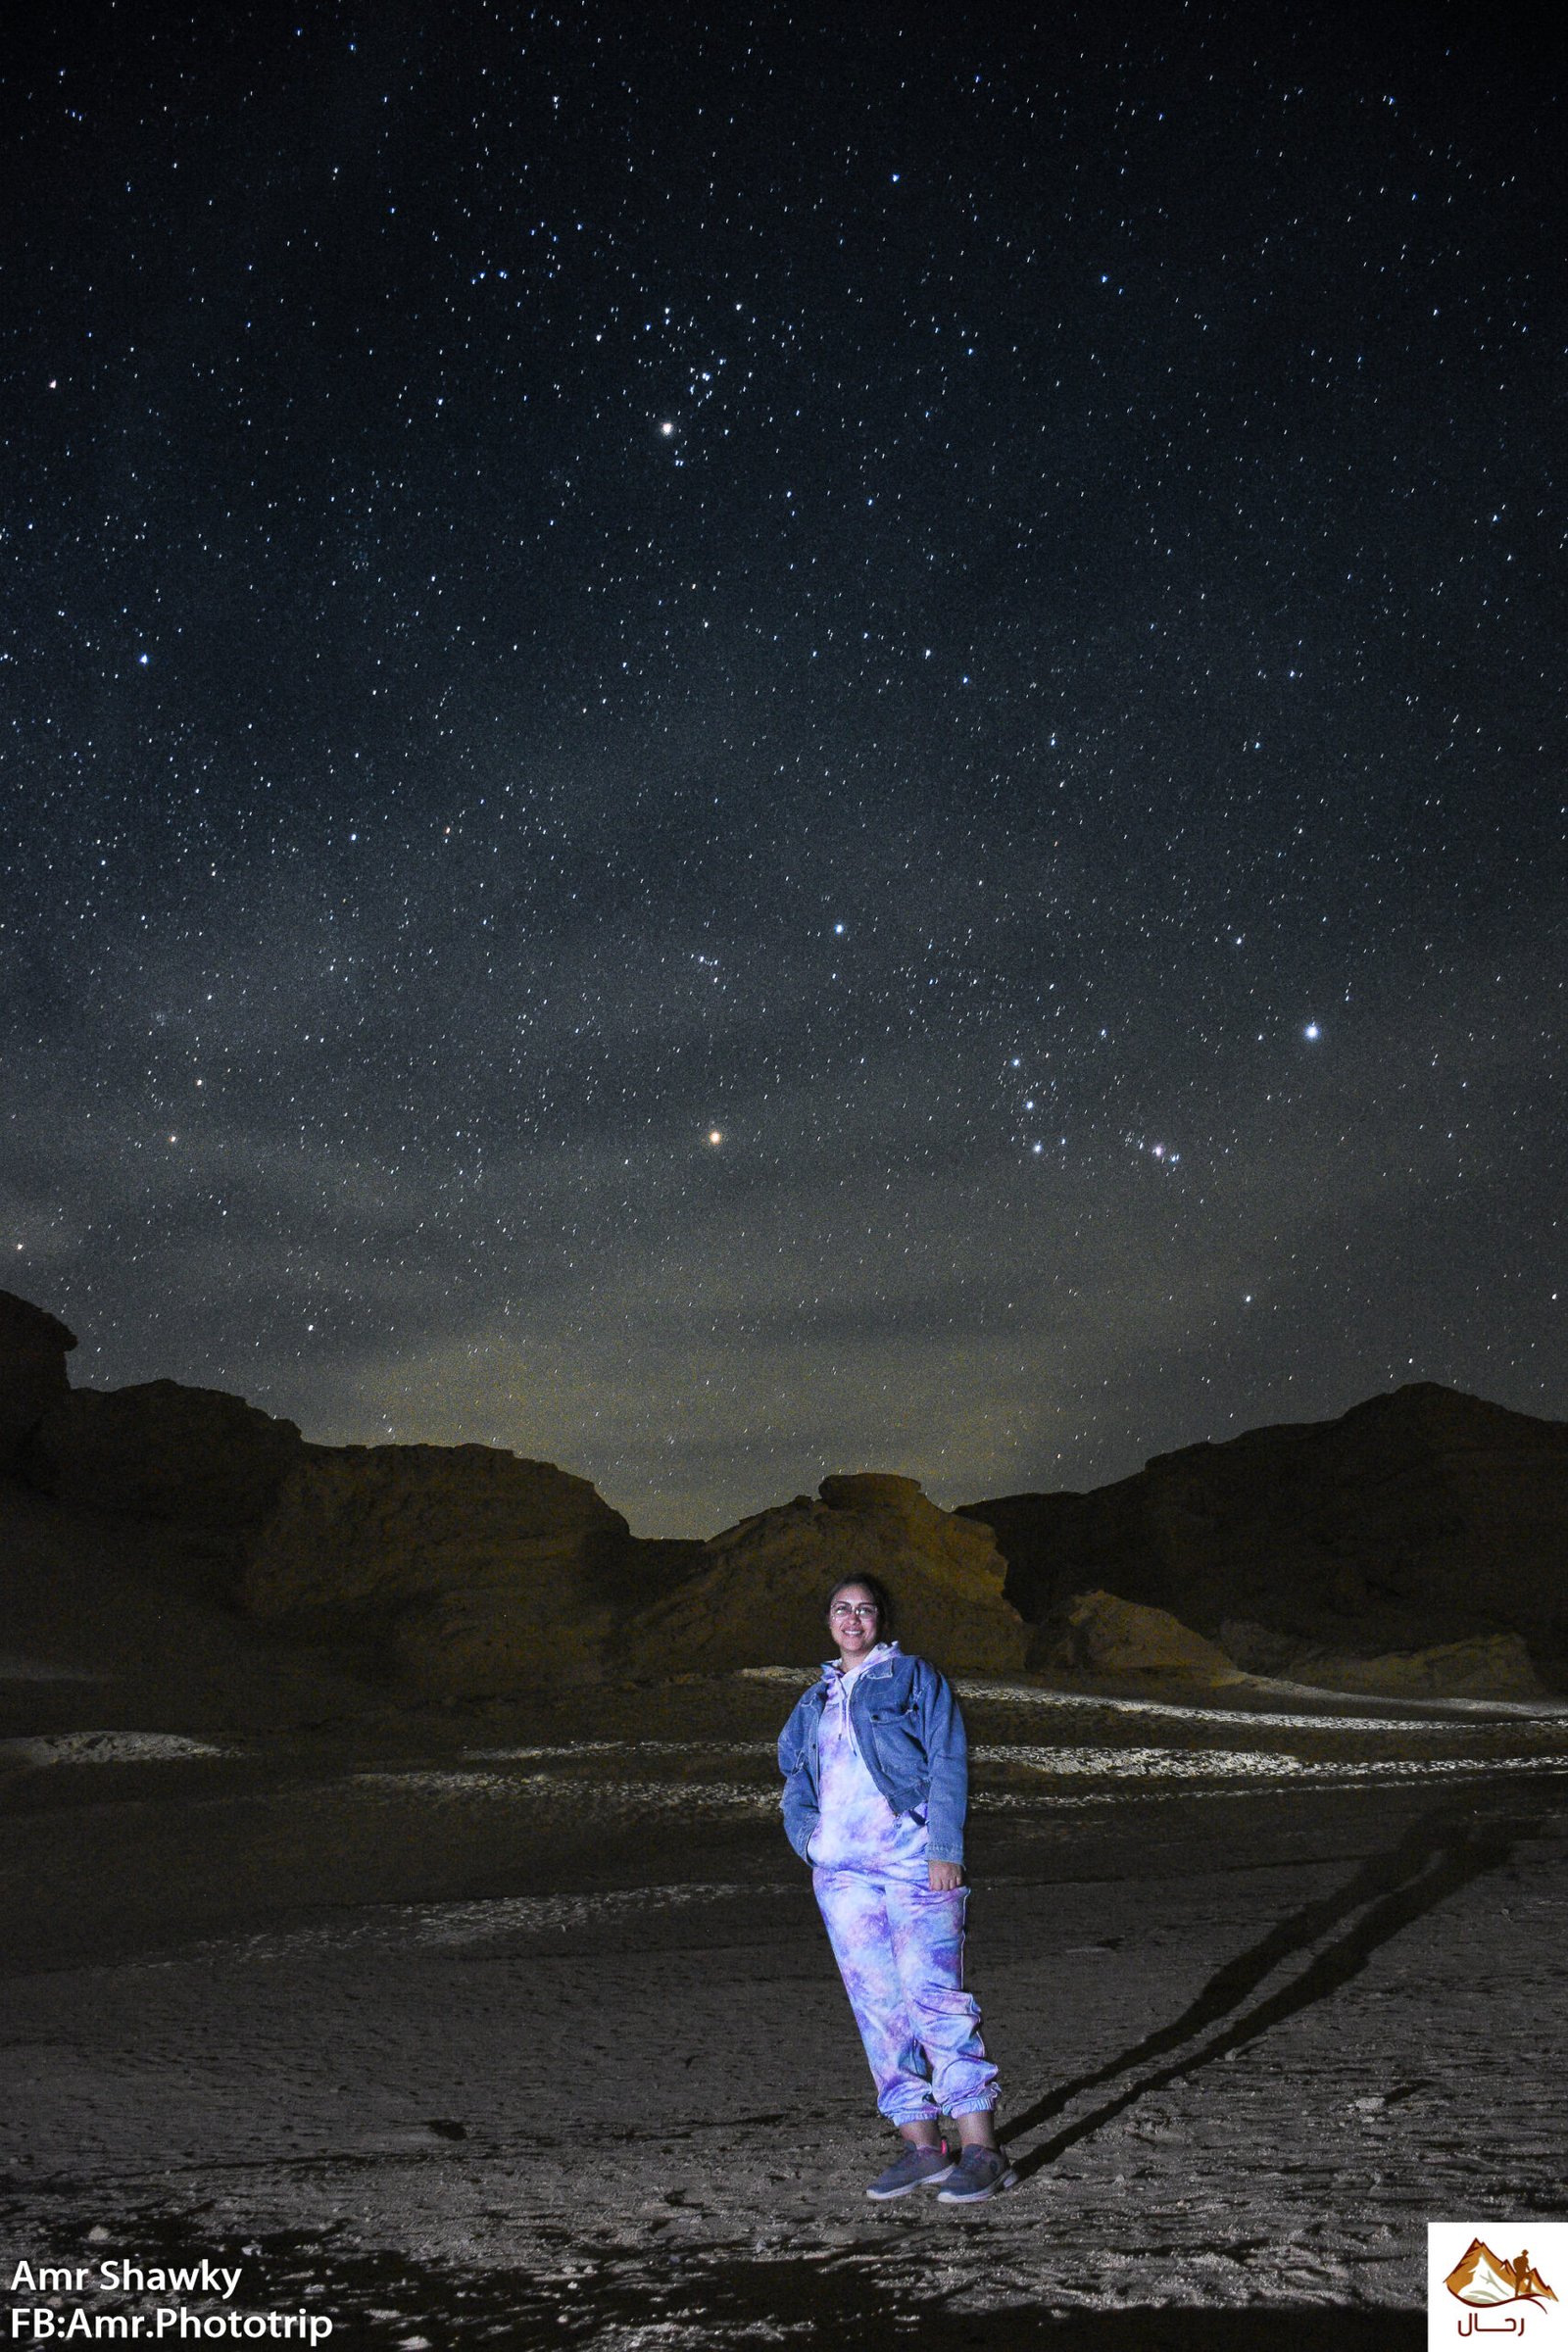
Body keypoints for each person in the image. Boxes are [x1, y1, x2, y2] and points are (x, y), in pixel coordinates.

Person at [777, 1574, 1013, 2201]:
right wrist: (811, 1842)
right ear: (828, 1620)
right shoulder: (813, 1701)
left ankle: (983, 2150)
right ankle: (924, 2148)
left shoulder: (913, 1677)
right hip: (842, 1876)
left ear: (881, 1618)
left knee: (935, 1999)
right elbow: (795, 1778)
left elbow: (948, 1759)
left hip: (912, 1863)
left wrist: (944, 1849)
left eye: (865, 1609)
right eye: (841, 1608)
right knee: (878, 2008)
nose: (852, 1619)